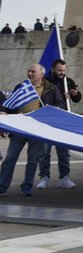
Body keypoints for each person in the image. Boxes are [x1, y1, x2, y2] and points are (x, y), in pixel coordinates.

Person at [0, 64, 61, 196]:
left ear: (41, 74)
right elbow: (10, 104)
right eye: (28, 71)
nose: (29, 74)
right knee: (10, 158)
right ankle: (2, 186)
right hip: (19, 128)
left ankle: (27, 186)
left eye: (33, 71)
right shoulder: (21, 87)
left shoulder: (51, 88)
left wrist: (51, 108)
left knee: (33, 160)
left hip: (37, 129)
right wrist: (4, 114)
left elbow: (61, 104)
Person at [36, 59, 82, 190]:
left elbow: (77, 99)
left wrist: (76, 94)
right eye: (59, 70)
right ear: (53, 69)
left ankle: (64, 177)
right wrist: (62, 95)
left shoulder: (68, 81)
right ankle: (44, 177)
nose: (62, 73)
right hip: (47, 121)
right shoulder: (45, 81)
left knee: (63, 152)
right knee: (44, 152)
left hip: (63, 120)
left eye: (63, 70)